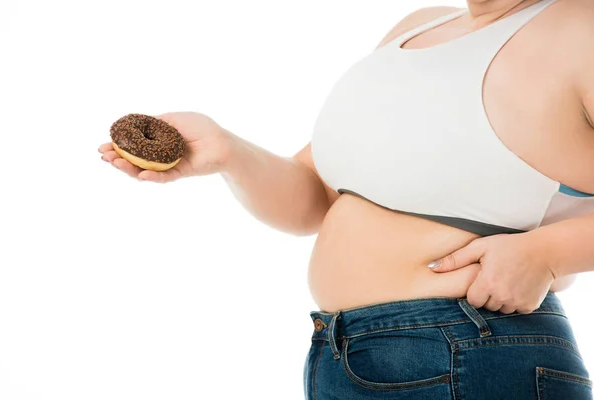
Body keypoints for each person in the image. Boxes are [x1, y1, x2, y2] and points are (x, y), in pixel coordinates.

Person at [99, 0, 594, 398]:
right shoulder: (417, 30)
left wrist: (545, 255)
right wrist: (228, 153)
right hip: (339, 354)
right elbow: (314, 200)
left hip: (475, 348)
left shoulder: (580, 27)